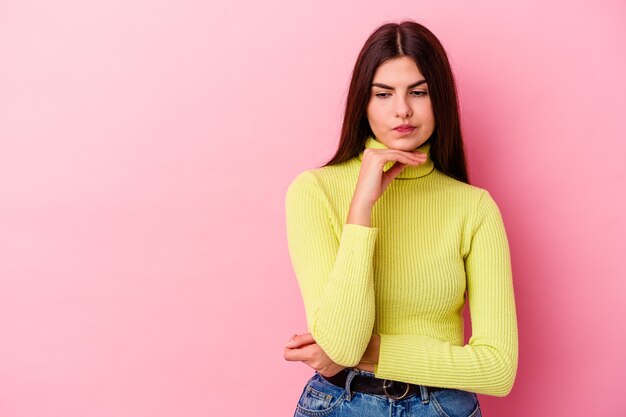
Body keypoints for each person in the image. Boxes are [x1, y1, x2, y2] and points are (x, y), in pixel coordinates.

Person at [283, 20, 518, 417]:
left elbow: (498, 369)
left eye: (419, 92)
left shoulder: (473, 207)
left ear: (439, 98)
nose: (402, 109)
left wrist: (377, 352)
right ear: (363, 102)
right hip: (340, 405)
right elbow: (341, 345)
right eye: (383, 93)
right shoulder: (314, 191)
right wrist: (361, 210)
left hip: (443, 407)